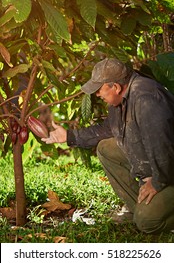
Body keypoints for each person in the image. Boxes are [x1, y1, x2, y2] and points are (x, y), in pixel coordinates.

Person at [42, 58, 174, 234]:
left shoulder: (146, 99)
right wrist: (69, 136)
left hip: (170, 171)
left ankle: (149, 214)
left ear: (116, 87)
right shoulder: (121, 99)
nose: (97, 95)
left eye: (99, 90)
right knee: (106, 148)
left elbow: (164, 149)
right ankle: (141, 208)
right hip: (159, 165)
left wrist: (157, 182)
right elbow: (107, 130)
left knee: (146, 223)